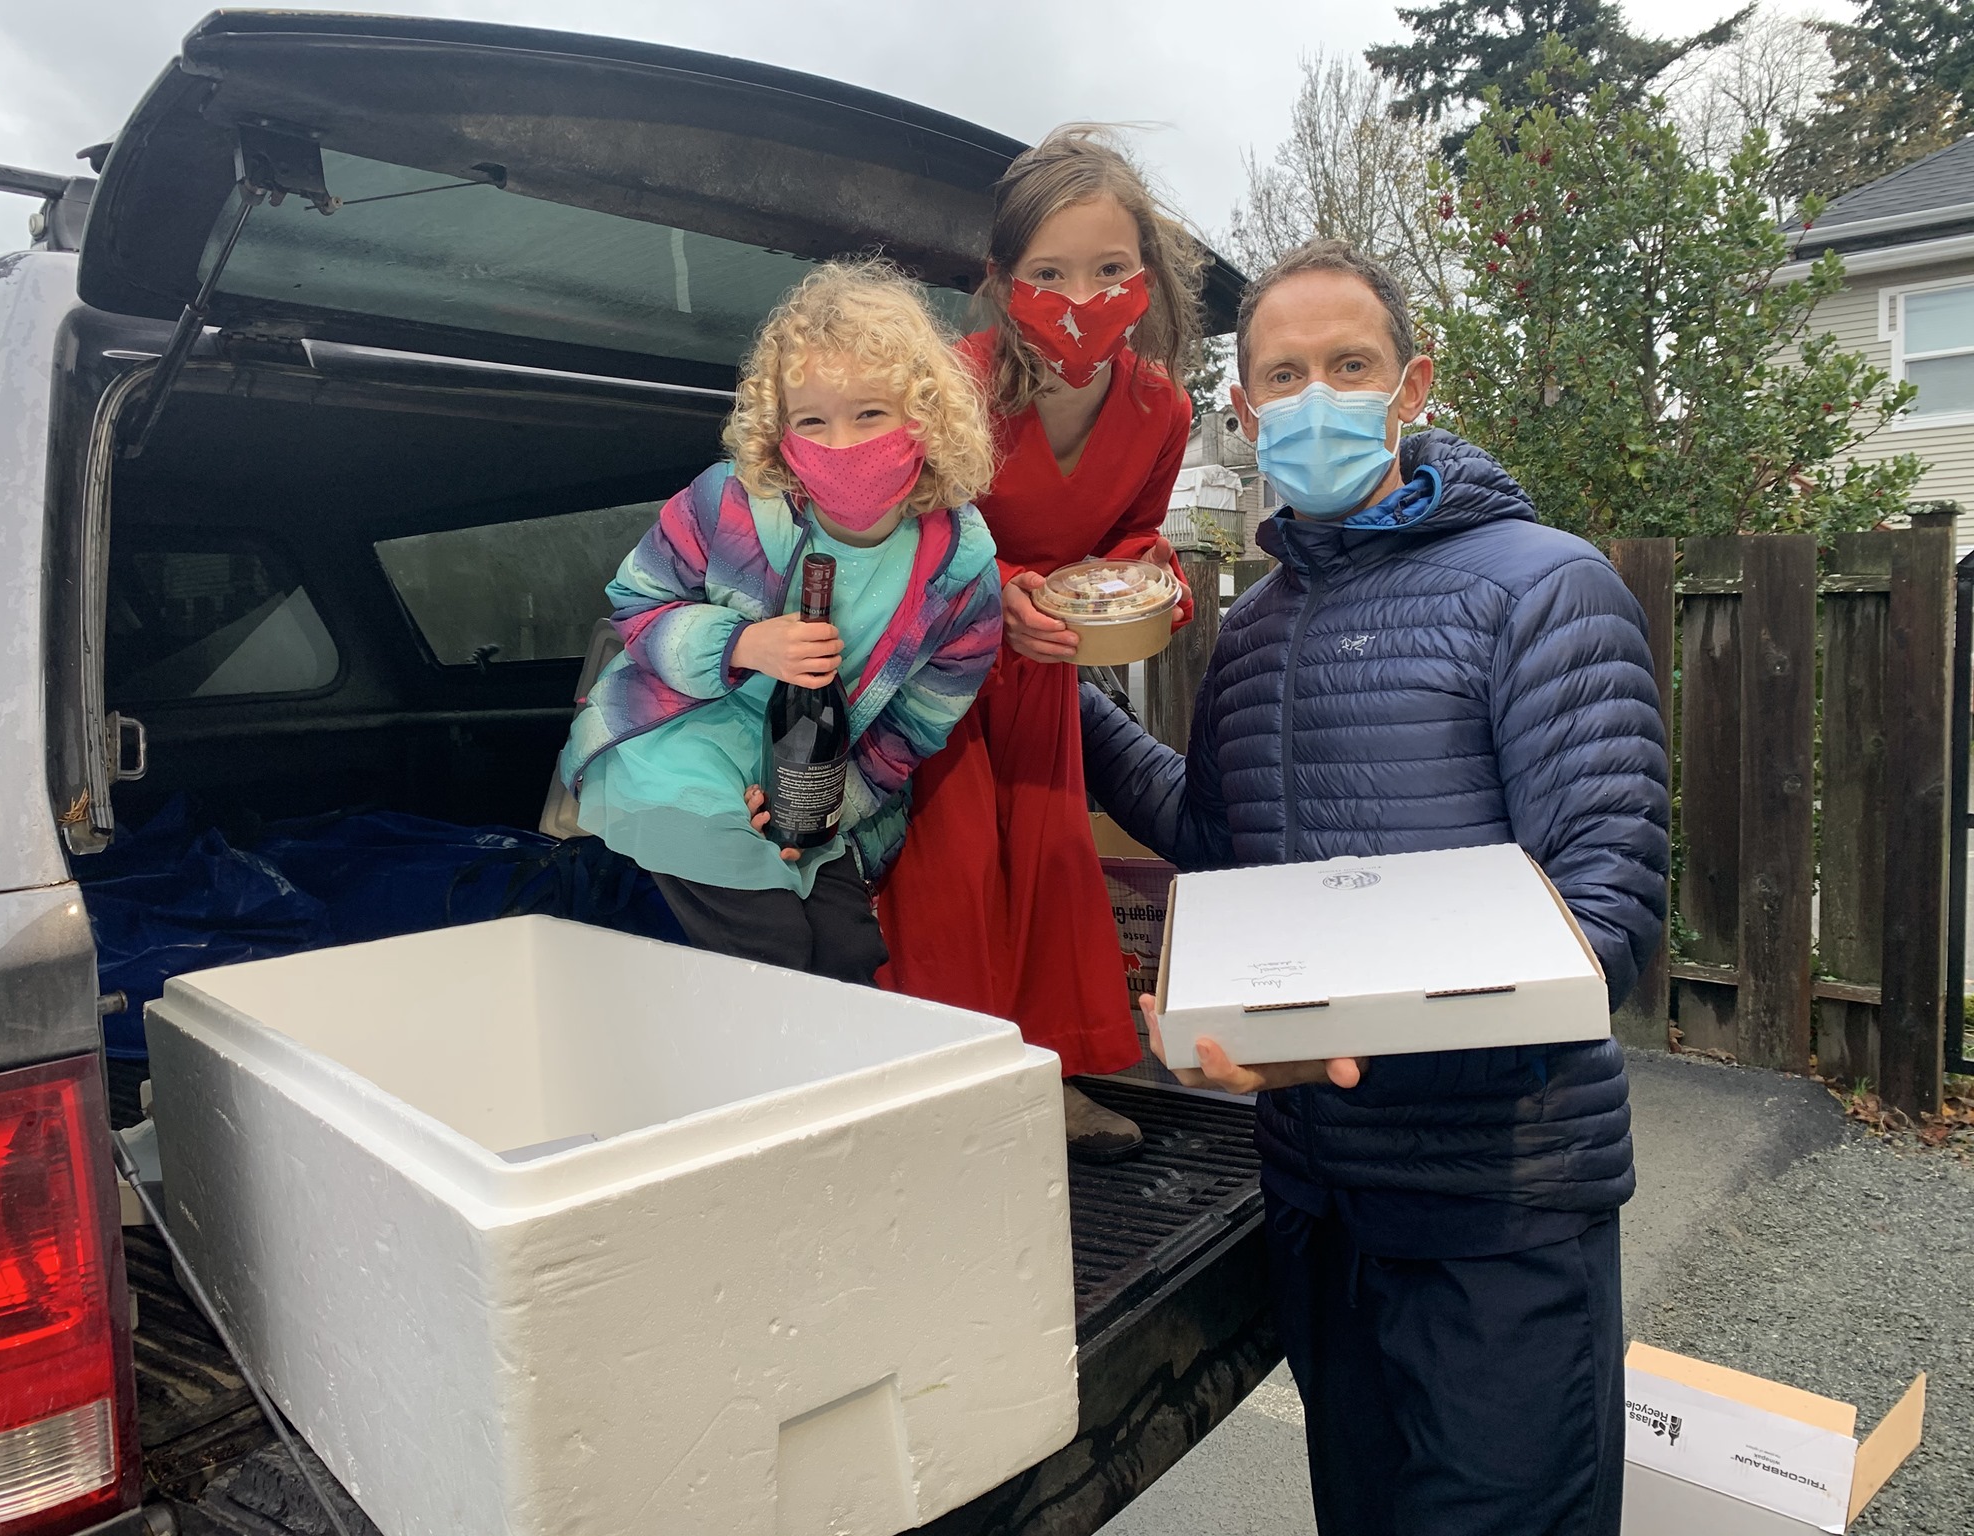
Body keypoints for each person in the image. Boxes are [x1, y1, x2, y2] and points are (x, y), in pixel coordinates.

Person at [1081, 239, 1669, 1536]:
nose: (1315, 399)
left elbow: (1609, 915)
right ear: (1243, 412)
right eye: (1281, 376)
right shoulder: (1256, 630)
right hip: (1318, 1202)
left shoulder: (1543, 588)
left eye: (1348, 365)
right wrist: (1055, 702)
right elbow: (1216, 844)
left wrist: (1346, 1034)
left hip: (1496, 1212)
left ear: (1413, 387)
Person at [875, 126, 1204, 1159]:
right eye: (1049, 273)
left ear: (1146, 277)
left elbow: (1135, 534)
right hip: (932, 675)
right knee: (951, 876)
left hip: (1042, 681)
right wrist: (1002, 590)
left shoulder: (1161, 409)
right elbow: (896, 538)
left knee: (1051, 866)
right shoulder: (948, 389)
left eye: (1109, 270)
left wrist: (1155, 583)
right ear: (1001, 279)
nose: (1080, 297)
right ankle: (941, 1103)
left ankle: (1049, 1085)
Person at [557, 260, 1001, 984]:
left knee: (846, 953)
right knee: (769, 944)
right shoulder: (725, 503)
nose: (840, 444)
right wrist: (741, 643)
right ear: (780, 430)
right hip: (678, 744)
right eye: (812, 421)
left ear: (924, 417)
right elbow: (639, 603)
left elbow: (917, 723)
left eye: (870, 414)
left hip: (807, 775)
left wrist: (820, 811)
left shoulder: (963, 574)